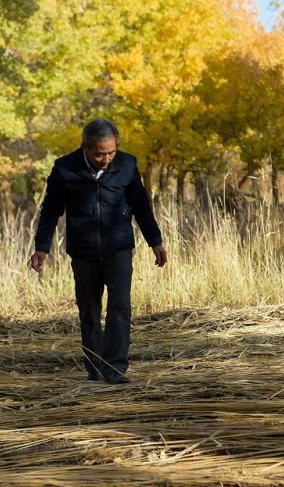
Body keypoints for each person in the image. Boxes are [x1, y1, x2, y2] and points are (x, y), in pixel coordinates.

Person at [30, 118, 167, 384]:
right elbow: (50, 211)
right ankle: (95, 367)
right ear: (85, 147)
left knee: (120, 306)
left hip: (119, 248)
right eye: (100, 154)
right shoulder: (64, 169)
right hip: (83, 251)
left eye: (111, 152)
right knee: (89, 309)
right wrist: (42, 248)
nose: (106, 159)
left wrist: (155, 241)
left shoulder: (127, 165)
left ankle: (115, 368)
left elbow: (141, 207)